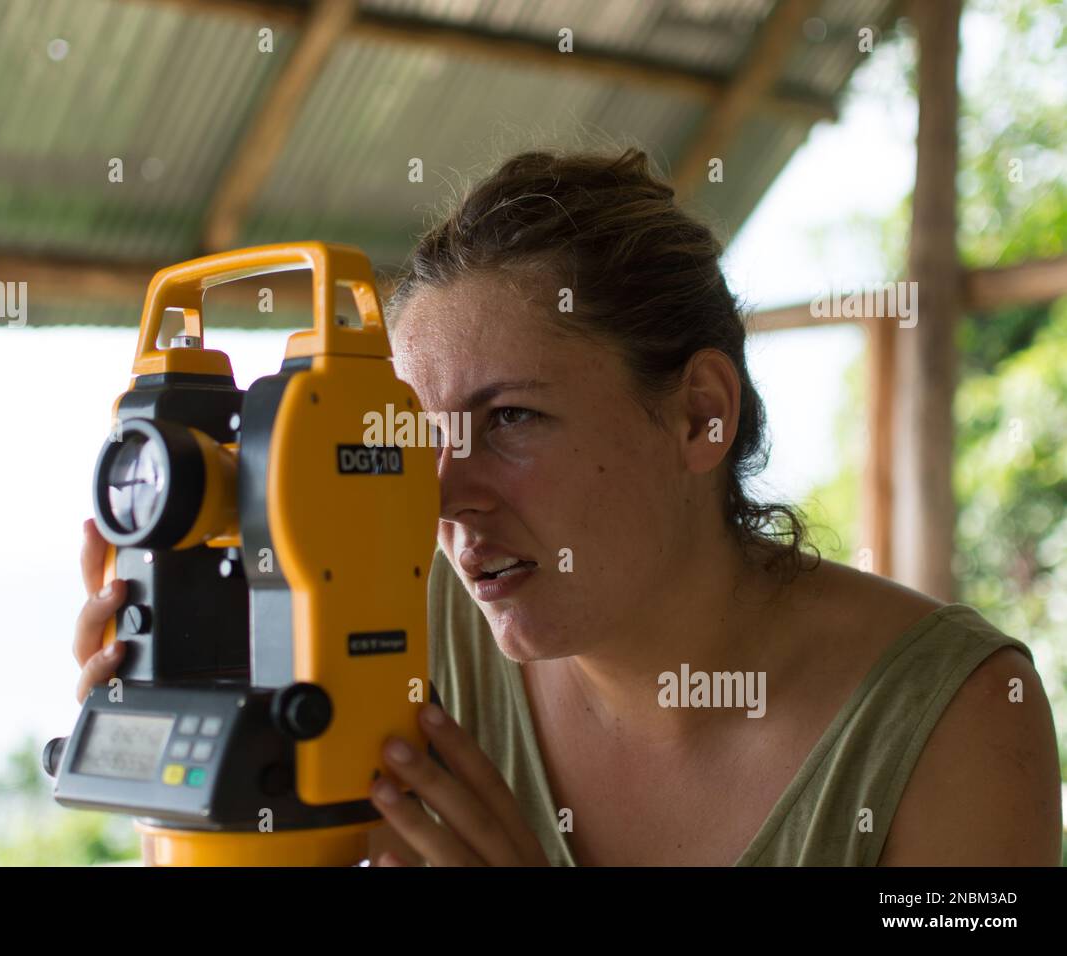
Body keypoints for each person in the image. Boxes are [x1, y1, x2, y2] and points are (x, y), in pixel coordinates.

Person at [72, 146, 1062, 867]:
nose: (443, 494)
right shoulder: (385, 637)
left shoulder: (954, 722)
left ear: (699, 417)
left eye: (507, 417)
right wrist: (194, 738)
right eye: (415, 436)